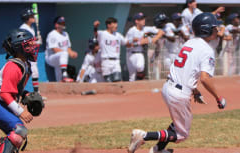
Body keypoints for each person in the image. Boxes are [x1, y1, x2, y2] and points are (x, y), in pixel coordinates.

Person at [127, 12, 226, 153]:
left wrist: (195, 90)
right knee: (181, 135)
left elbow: (186, 71)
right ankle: (143, 135)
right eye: (215, 28)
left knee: (177, 124)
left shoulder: (189, 43)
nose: (217, 30)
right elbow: (205, 78)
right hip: (179, 94)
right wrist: (219, 98)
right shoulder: (207, 50)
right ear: (206, 30)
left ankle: (158, 150)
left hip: (168, 87)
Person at [0, 29, 39, 152]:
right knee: (19, 131)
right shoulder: (13, 67)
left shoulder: (24, 65)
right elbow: (4, 93)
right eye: (28, 44)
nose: (33, 46)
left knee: (17, 134)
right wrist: (21, 112)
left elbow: (15, 89)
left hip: (1, 103)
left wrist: (26, 94)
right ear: (19, 48)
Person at [125, 12, 164, 81]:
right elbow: (127, 44)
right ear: (136, 21)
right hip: (130, 53)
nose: (144, 20)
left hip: (140, 52)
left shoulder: (146, 28)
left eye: (143, 18)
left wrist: (154, 39)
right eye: (141, 19)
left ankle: (140, 81)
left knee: (140, 67)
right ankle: (134, 90)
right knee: (132, 76)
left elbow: (161, 32)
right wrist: (138, 42)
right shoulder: (131, 31)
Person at [94, 17, 128, 82]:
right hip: (106, 61)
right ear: (108, 25)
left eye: (116, 23)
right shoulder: (103, 34)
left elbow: (126, 43)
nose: (116, 25)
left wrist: (136, 42)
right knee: (108, 82)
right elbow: (96, 34)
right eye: (114, 23)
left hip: (116, 61)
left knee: (117, 79)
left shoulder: (118, 35)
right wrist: (95, 27)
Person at [45, 16, 78, 82]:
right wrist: (67, 53)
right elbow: (54, 49)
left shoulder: (65, 34)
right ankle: (65, 74)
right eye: (61, 23)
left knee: (60, 80)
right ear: (56, 24)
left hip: (60, 58)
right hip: (51, 57)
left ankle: (62, 80)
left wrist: (71, 53)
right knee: (64, 54)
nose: (63, 25)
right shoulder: (52, 34)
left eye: (63, 23)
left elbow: (68, 48)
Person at [19, 8, 41, 92]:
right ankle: (20, 91)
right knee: (27, 72)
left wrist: (36, 40)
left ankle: (36, 92)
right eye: (31, 16)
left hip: (30, 52)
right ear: (26, 18)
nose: (34, 17)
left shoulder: (31, 27)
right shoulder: (23, 28)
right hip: (25, 53)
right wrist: (36, 42)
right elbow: (25, 42)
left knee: (34, 72)